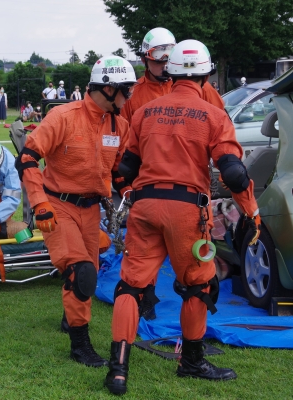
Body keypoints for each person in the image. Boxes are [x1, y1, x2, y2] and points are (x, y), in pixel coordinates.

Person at [104, 40, 260, 395]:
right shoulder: (214, 115)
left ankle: (118, 370)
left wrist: (131, 190)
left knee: (131, 285)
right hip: (186, 210)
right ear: (206, 75)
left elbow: (126, 167)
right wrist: (251, 210)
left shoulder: (144, 112)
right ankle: (191, 361)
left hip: (144, 207)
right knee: (198, 284)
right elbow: (234, 175)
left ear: (170, 72)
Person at [16, 55, 136, 368]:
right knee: (80, 272)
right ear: (108, 89)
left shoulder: (119, 125)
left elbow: (118, 172)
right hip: (57, 204)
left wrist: (131, 194)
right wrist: (39, 203)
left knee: (88, 274)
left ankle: (71, 317)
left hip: (92, 208)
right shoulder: (63, 117)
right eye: (127, 90)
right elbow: (27, 158)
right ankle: (80, 345)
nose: (130, 97)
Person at [122, 27, 223, 124]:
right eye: (158, 62)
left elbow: (221, 122)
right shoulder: (132, 93)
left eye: (169, 61)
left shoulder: (200, 86)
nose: (165, 66)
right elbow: (123, 132)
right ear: (144, 60)